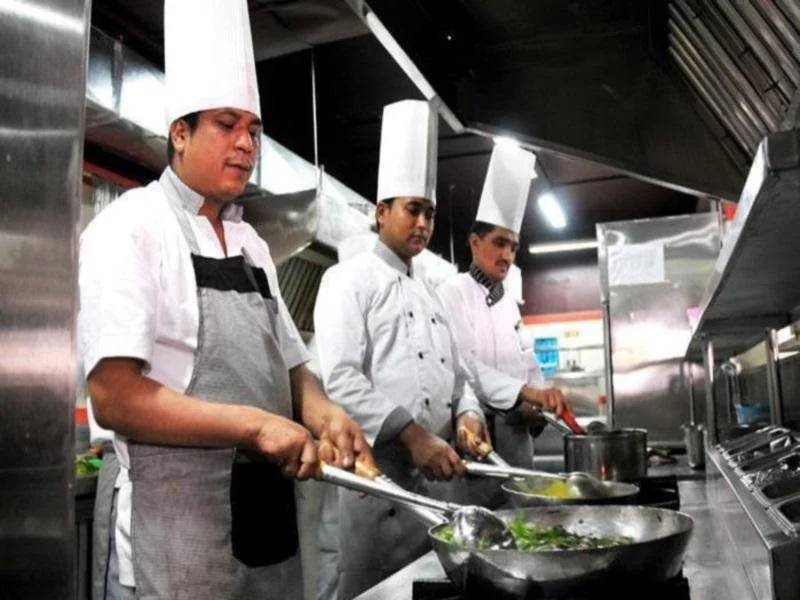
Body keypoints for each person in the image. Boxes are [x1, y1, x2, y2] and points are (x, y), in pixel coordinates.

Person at [78, 2, 373, 599]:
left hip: (265, 534)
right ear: (180, 133)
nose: (246, 143)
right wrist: (254, 426)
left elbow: (293, 369)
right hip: (172, 531)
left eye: (253, 131)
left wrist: (325, 414)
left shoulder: (251, 244)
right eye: (227, 124)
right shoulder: (132, 227)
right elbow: (114, 396)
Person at [313, 99, 490, 600]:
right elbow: (341, 379)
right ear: (382, 212)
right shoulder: (347, 280)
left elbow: (459, 377)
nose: (423, 223)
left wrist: (468, 415)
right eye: (413, 210)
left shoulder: (431, 292)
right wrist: (412, 435)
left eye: (429, 213)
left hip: (437, 487)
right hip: (379, 487)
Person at [438, 143, 570, 476]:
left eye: (513, 247)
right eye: (499, 243)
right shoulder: (452, 293)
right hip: (478, 445)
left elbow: (528, 362)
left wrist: (541, 402)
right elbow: (466, 368)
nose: (507, 256)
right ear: (475, 243)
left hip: (519, 449)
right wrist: (526, 394)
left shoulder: (509, 303)